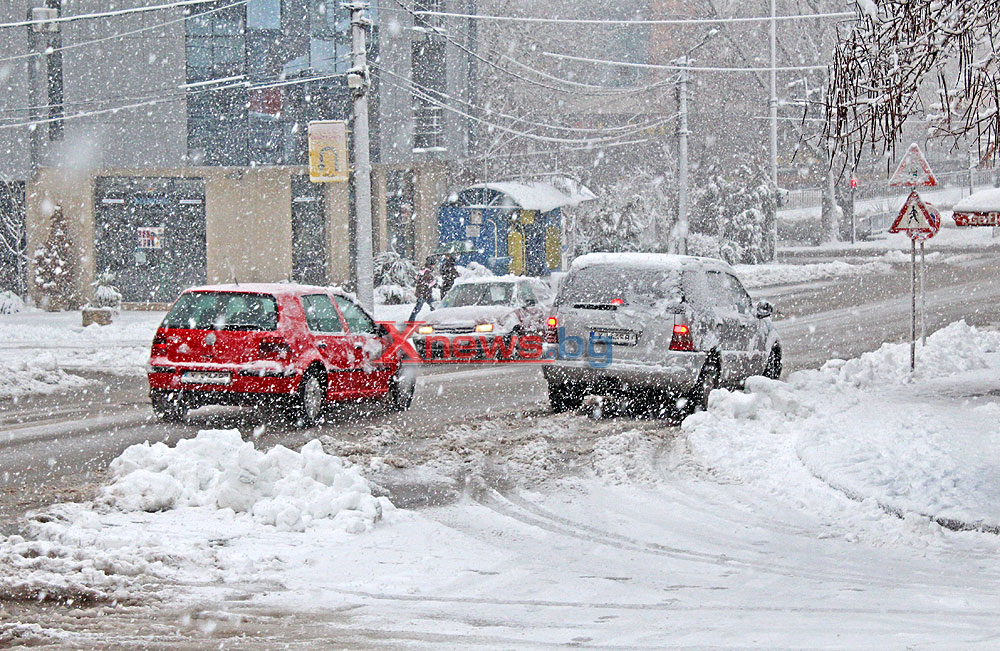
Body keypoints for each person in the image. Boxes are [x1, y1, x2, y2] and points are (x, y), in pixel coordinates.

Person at [408, 256, 437, 323]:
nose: (433, 266)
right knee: (429, 307)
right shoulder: (426, 272)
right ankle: (411, 321)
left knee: (432, 306)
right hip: (424, 293)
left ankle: (411, 320)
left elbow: (417, 280)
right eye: (433, 264)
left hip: (424, 293)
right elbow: (428, 282)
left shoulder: (422, 271)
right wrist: (433, 283)